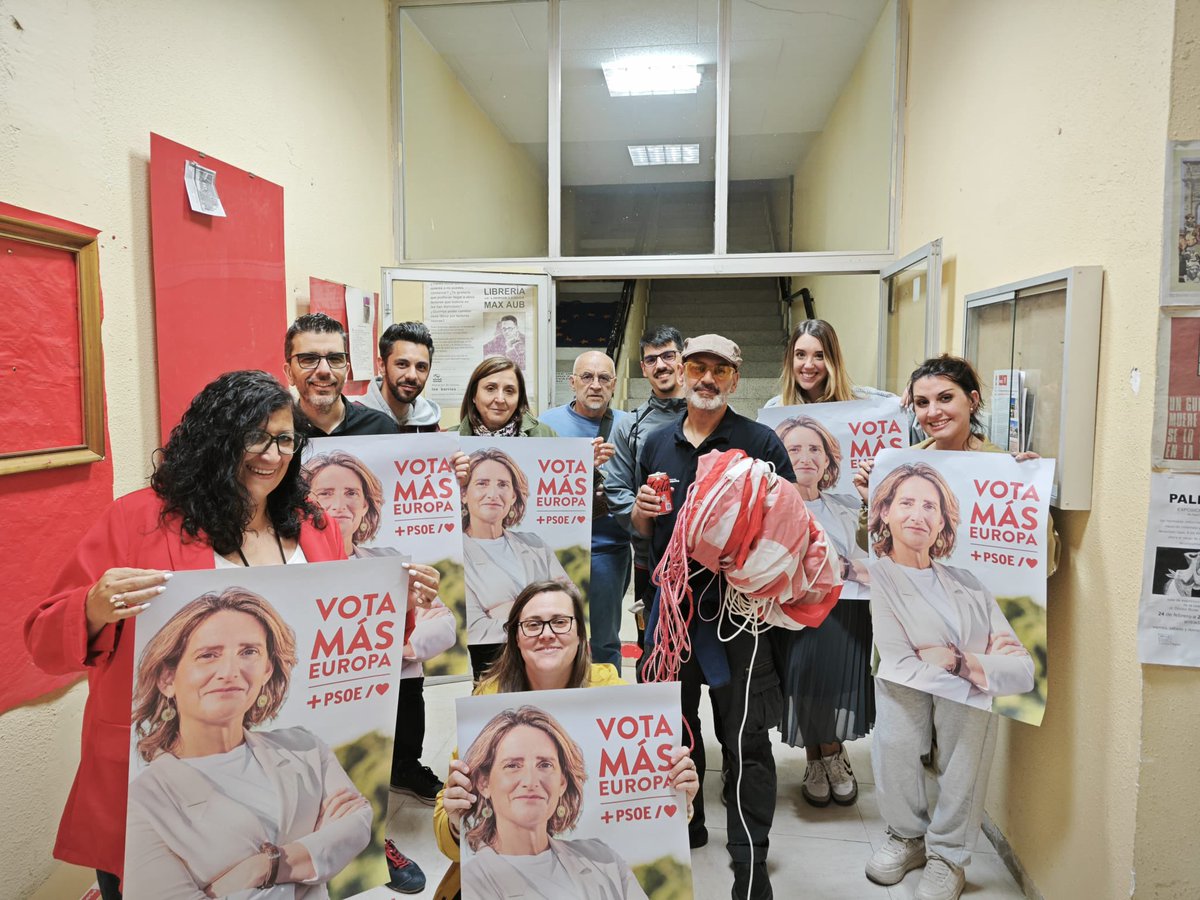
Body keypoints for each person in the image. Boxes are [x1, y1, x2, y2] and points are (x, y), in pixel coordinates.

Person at [22, 370, 428, 899]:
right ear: (213, 442)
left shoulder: (313, 523)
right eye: (252, 438)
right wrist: (93, 607)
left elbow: (353, 628)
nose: (271, 454)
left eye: (284, 439)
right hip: (157, 778)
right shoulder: (139, 521)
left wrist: (405, 601)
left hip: (283, 797)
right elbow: (42, 641)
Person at [854, 354, 1058, 900]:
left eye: (945, 398)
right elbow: (868, 546)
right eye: (921, 402)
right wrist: (864, 496)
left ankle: (948, 854)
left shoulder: (1005, 468)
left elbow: (1046, 564)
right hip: (898, 641)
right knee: (895, 744)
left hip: (969, 649)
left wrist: (1027, 502)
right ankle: (905, 836)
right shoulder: (902, 465)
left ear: (973, 400)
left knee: (964, 755)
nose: (932, 411)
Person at [631, 334, 794, 900]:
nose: (705, 377)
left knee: (745, 737)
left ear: (734, 378)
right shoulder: (655, 441)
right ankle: (688, 822)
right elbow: (642, 532)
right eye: (695, 366)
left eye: (717, 370)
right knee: (674, 729)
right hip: (670, 613)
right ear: (680, 370)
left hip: (739, 618)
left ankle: (750, 861)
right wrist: (642, 512)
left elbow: (790, 533)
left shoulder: (760, 442)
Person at [433, 580, 699, 900]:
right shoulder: (488, 701)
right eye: (532, 625)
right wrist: (454, 818)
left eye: (560, 622)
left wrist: (678, 799)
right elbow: (449, 841)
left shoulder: (613, 695)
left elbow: (653, 823)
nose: (547, 633)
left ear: (580, 636)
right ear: (516, 638)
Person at [124, 587, 373, 898]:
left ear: (267, 669)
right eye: (208, 655)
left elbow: (358, 822)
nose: (230, 672)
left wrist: (264, 868)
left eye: (249, 652)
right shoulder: (143, 802)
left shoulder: (304, 747)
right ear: (167, 679)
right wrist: (312, 857)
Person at [303, 449, 451, 888]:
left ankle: (376, 841)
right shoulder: (285, 565)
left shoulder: (388, 560)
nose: (339, 503)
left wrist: (402, 648)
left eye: (352, 493)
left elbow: (442, 624)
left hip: (385, 694)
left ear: (367, 505)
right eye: (324, 492)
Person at [762, 319, 890, 809]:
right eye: (800, 355)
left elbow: (908, 422)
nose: (808, 365)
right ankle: (820, 755)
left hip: (848, 581)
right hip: (790, 576)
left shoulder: (864, 407)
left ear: (832, 359)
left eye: (818, 355)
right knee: (800, 665)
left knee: (834, 666)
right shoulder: (775, 413)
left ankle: (831, 753)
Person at [867, 462, 1035, 707]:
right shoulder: (876, 577)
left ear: (942, 521)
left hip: (967, 725)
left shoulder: (969, 583)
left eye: (929, 506)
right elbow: (901, 669)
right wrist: (983, 673)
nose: (918, 516)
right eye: (906, 503)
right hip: (907, 713)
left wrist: (953, 660)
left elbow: (1023, 672)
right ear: (885, 512)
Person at [457, 706, 647, 900]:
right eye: (513, 765)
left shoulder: (604, 859)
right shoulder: (473, 884)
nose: (531, 781)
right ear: (484, 783)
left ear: (562, 782)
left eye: (545, 765)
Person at [539, 350, 631, 667]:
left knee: (605, 640)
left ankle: (606, 707)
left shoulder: (628, 426)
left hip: (609, 550)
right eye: (587, 377)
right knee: (555, 637)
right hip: (557, 552)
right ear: (573, 382)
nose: (595, 385)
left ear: (614, 384)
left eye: (604, 378)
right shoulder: (546, 425)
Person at [606, 326, 687, 657]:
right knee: (655, 653)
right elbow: (615, 486)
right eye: (652, 359)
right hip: (650, 562)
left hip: (706, 563)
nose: (661, 365)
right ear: (643, 368)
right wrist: (641, 517)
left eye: (669, 355)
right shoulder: (631, 425)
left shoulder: (709, 416)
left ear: (683, 359)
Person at [461, 447, 570, 679]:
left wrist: (503, 609)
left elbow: (572, 600)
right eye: (482, 483)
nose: (493, 493)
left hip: (550, 672)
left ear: (513, 495)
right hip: (495, 672)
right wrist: (546, 613)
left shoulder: (535, 544)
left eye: (502, 484)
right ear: (463, 494)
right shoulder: (456, 555)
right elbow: (474, 629)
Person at [283, 312, 400, 437]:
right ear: (289, 373)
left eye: (334, 358)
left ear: (346, 370)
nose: (324, 370)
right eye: (309, 359)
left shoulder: (381, 429)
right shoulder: (278, 435)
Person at [358, 321, 442, 431]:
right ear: (382, 366)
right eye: (402, 364)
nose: (412, 376)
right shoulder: (355, 420)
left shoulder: (429, 425)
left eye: (421, 367)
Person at [455, 355, 555, 438]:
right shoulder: (451, 440)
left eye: (509, 391)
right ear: (473, 395)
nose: (500, 399)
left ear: (519, 399)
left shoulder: (545, 435)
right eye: (490, 389)